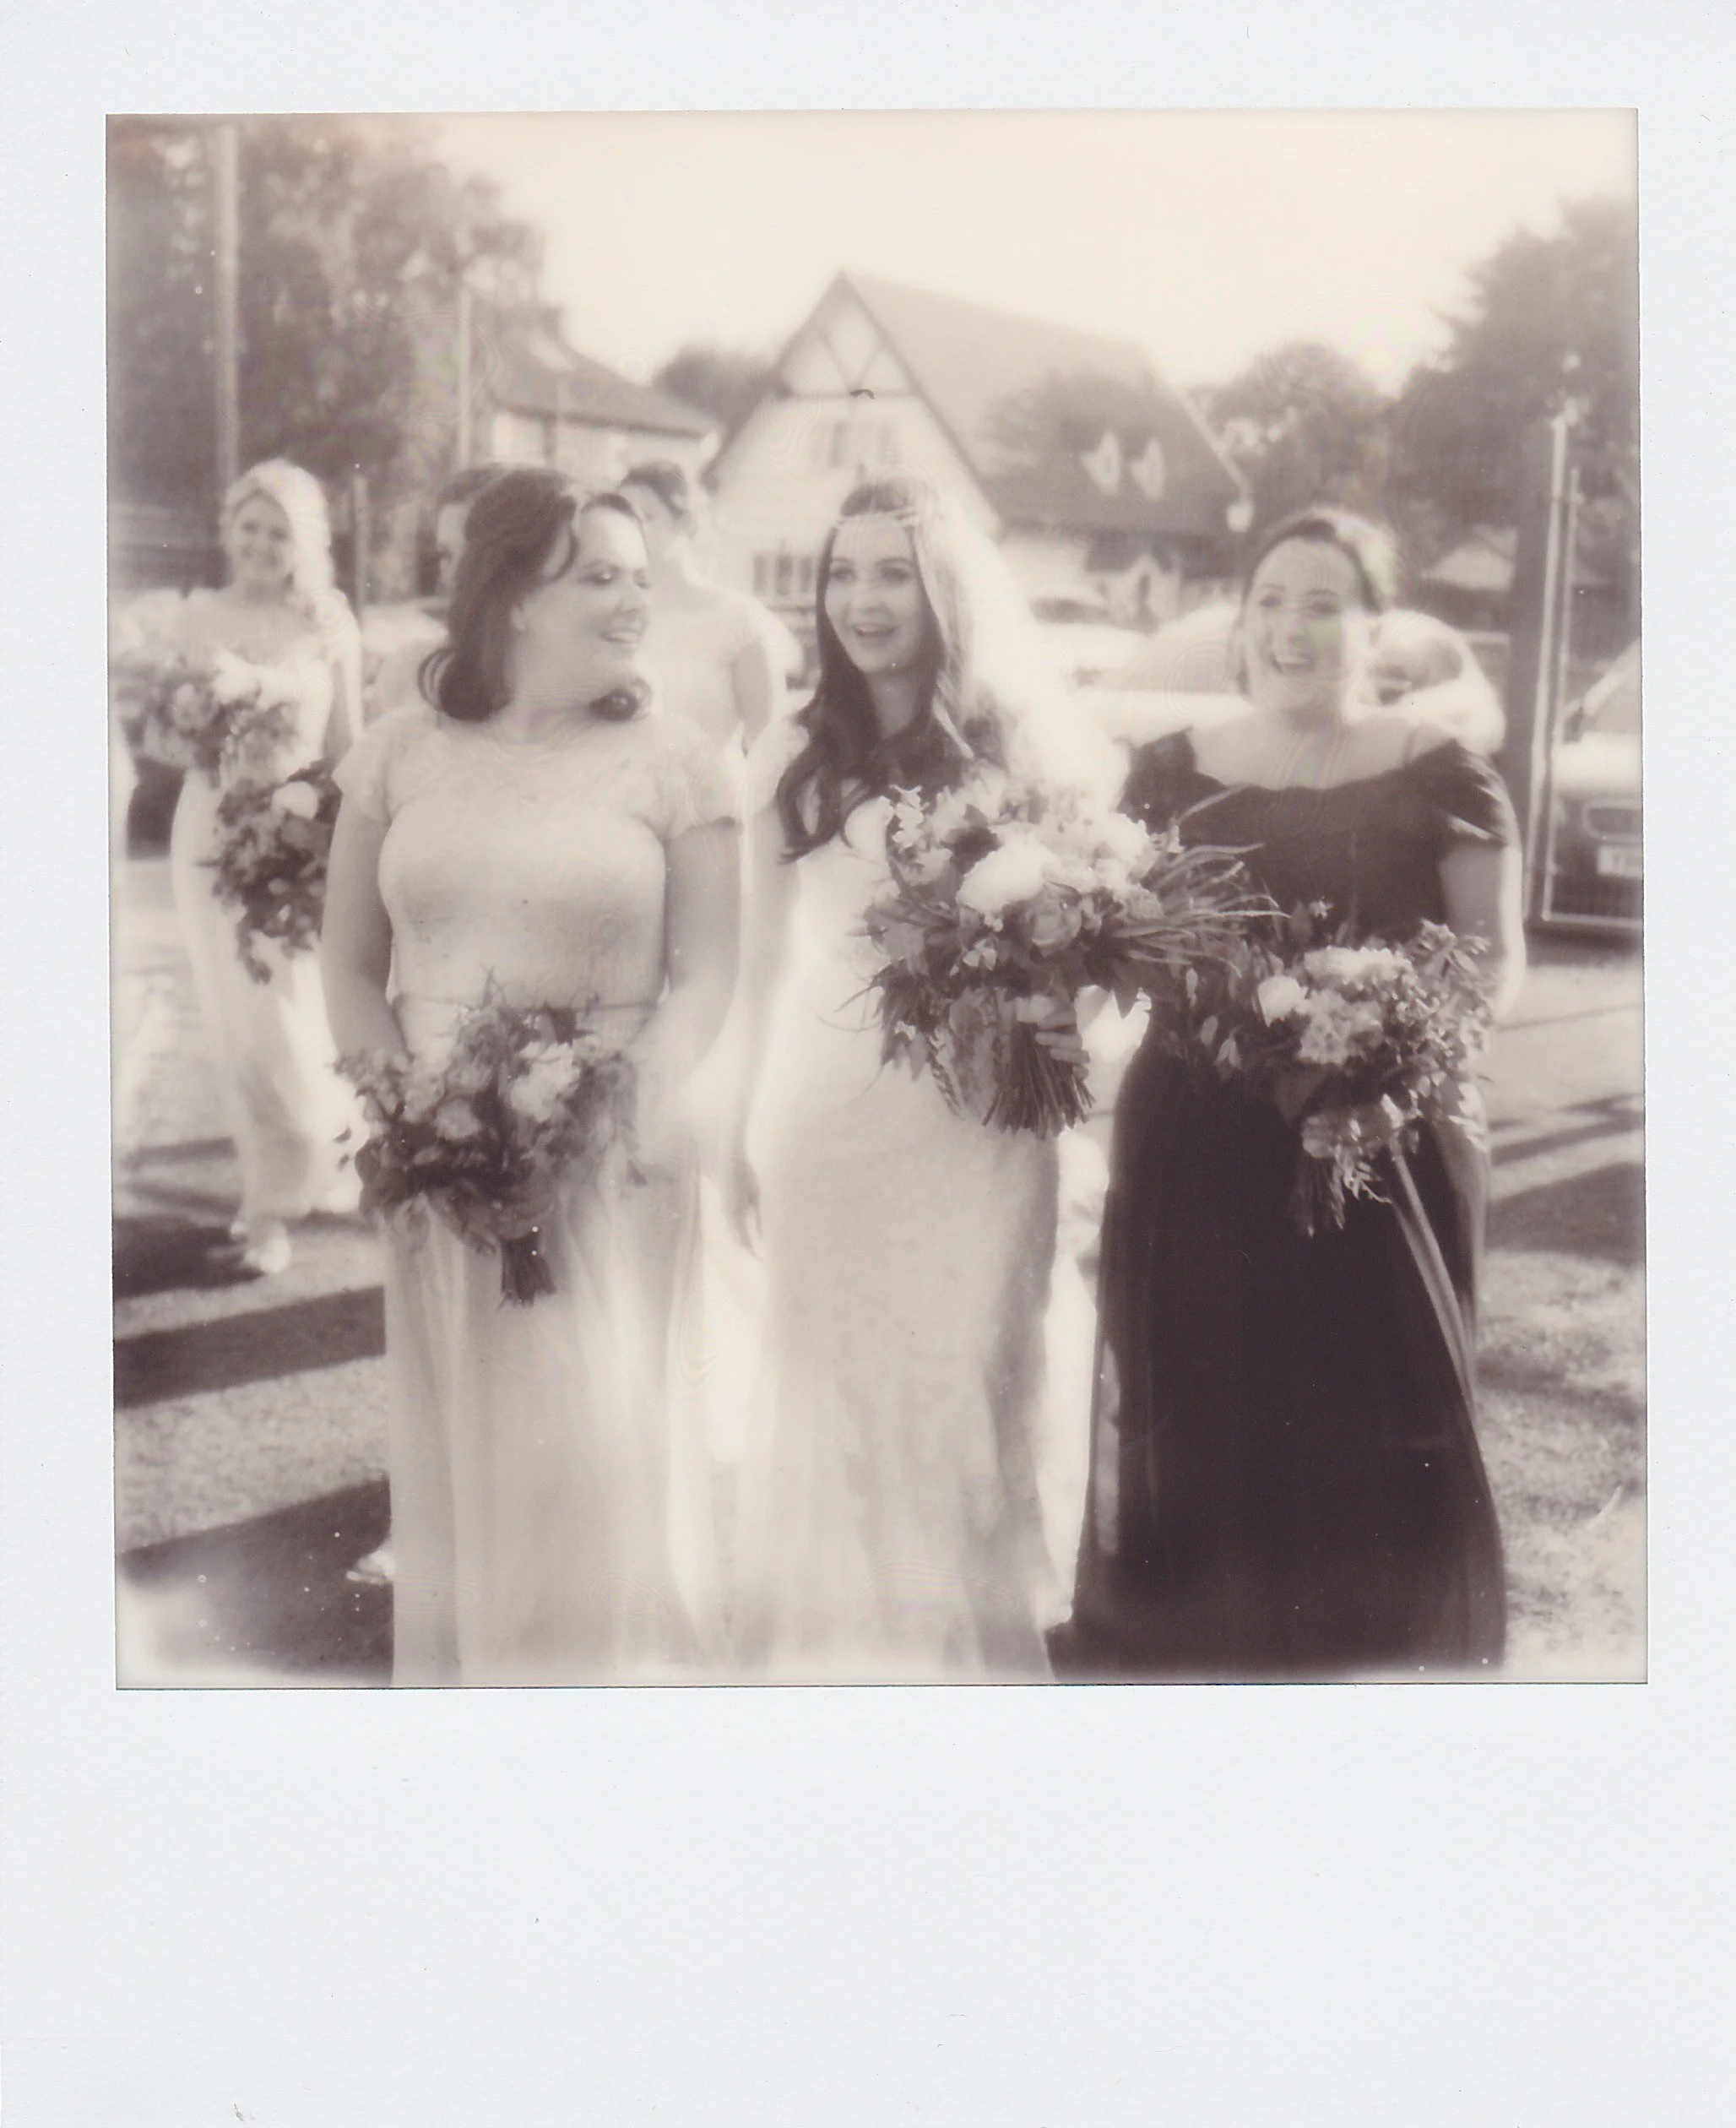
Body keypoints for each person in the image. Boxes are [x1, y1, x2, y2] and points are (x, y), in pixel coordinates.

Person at [1061, 508, 1524, 1680]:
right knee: (1201, 1418)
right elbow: (1123, 939)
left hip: (1370, 1143)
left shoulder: (1442, 773)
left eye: (1323, 602)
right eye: (1269, 599)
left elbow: (1489, 962)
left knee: (1360, 1436)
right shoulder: (1169, 771)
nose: (1290, 627)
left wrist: (1391, 1082)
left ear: (1377, 627)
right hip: (1196, 1145)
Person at [320, 468, 738, 1686]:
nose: (630, 601)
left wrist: (606, 1113)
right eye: (597, 575)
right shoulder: (397, 751)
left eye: (639, 578)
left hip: (614, 1164)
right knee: (472, 1463)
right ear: (508, 597)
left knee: (588, 1467)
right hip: (441, 1169)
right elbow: (349, 962)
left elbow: (708, 980)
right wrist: (407, 1115)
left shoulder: (679, 763)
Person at [720, 474, 1107, 1680]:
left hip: (980, 1122)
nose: (862, 599)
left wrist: (1043, 993)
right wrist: (733, 1123)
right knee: (836, 1386)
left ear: (946, 591)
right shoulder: (794, 750)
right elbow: (752, 961)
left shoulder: (1023, 748)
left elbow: (1093, 946)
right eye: (843, 572)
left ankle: (960, 1659)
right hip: (828, 1117)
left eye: (893, 572)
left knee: (965, 1370)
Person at [165, 459, 363, 1276]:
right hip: (210, 829)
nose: (260, 545)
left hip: (294, 831)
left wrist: (334, 829)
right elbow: (169, 744)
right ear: (228, 531)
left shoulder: (329, 623)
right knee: (238, 1020)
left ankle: (337, 1148)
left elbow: (350, 742)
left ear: (304, 543)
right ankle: (267, 1206)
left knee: (293, 1012)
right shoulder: (196, 617)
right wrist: (212, 719)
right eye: (249, 527)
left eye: (278, 533)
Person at [618, 460, 797, 751]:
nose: (633, 531)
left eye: (647, 517)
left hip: (712, 791)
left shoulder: (738, 619)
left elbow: (767, 747)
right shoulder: (616, 616)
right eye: (625, 519)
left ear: (684, 522)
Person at [363, 463, 507, 723]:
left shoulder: (555, 688)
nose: (452, 577)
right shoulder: (407, 674)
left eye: (473, 559)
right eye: (446, 556)